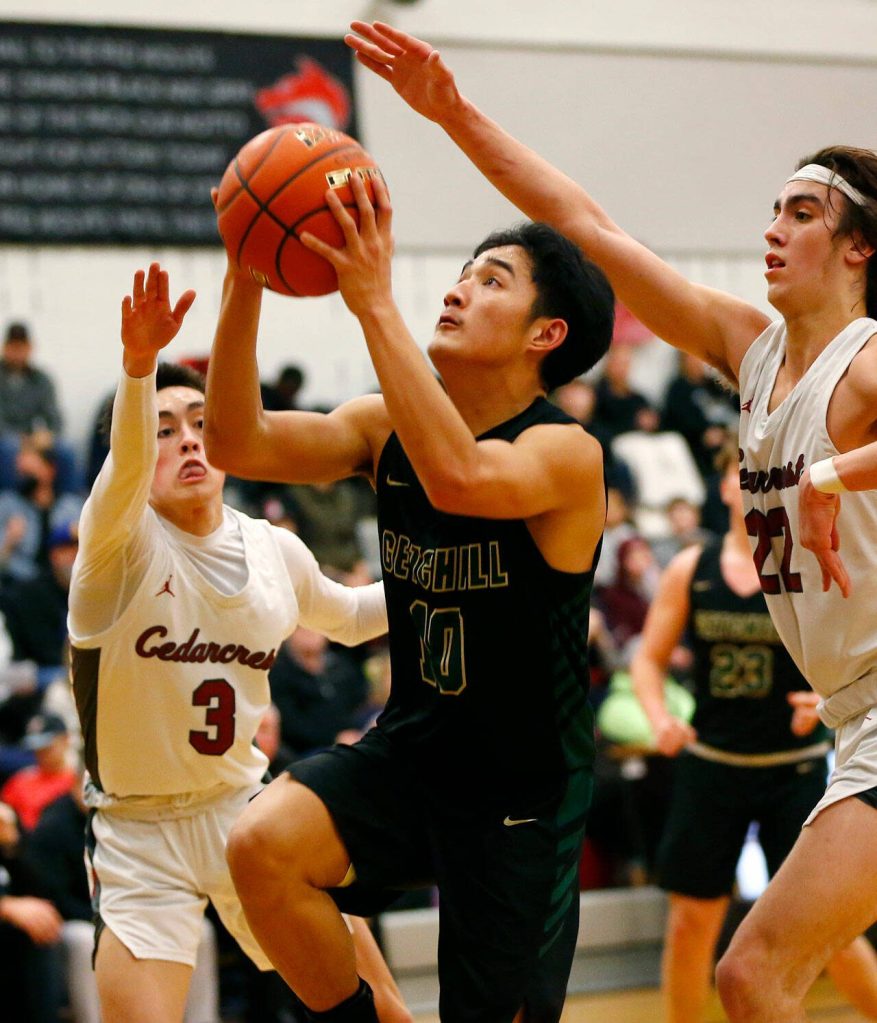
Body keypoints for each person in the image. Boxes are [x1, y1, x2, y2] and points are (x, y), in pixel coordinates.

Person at [344, 22, 877, 1020]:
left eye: (800, 213)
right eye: (770, 208)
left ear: (857, 248)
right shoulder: (749, 348)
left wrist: (832, 475)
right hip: (851, 712)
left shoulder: (865, 358)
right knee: (757, 969)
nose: (772, 226)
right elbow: (586, 226)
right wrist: (453, 114)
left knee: (752, 971)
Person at [204, 173, 614, 1019]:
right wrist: (245, 274)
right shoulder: (381, 425)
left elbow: (461, 477)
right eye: (465, 269)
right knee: (260, 846)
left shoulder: (564, 454)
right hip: (416, 745)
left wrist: (372, 303)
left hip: (520, 788)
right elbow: (235, 439)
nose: (460, 285)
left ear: (547, 332)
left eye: (492, 278)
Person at [68, 262, 409, 1023]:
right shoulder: (113, 551)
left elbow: (352, 615)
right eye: (164, 429)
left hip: (242, 813)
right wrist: (137, 366)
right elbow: (123, 472)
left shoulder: (272, 548)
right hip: (134, 831)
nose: (189, 439)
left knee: (379, 1004)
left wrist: (450, 580)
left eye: (198, 421)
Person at [631, 441, 877, 1022]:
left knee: (829, 937)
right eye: (736, 478)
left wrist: (826, 698)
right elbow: (647, 658)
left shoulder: (811, 556)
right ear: (722, 488)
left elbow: (855, 655)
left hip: (793, 769)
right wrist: (659, 718)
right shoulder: (691, 567)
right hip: (712, 765)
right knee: (692, 922)